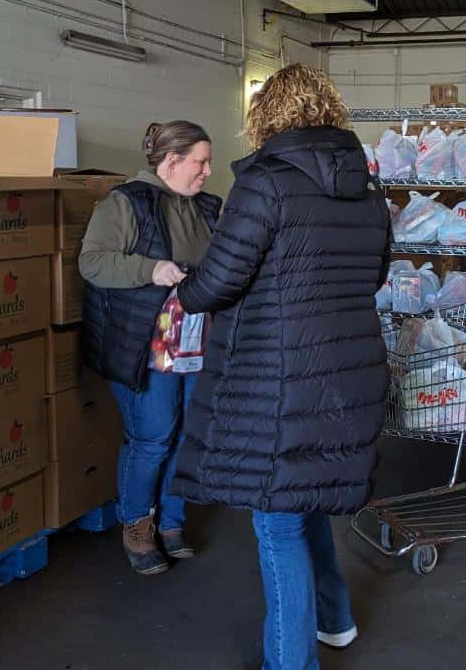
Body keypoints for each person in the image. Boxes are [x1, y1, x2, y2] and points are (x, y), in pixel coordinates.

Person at [171, 64, 390, 670]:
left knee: (279, 524)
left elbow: (221, 279)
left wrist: (185, 293)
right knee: (307, 495)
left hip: (280, 375)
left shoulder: (266, 181)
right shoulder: (367, 190)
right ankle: (336, 621)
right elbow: (372, 278)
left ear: (267, 115)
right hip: (350, 368)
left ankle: (290, 664)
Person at [78, 121, 222, 575]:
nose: (207, 171)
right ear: (171, 161)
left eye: (208, 162)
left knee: (186, 433)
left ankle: (172, 520)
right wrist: (151, 268)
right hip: (145, 344)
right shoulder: (125, 203)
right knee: (153, 437)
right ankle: (137, 525)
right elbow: (93, 261)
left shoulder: (207, 208)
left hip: (195, 342)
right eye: (200, 162)